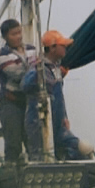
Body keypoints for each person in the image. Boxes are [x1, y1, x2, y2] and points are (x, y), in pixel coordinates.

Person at [23, 30, 78, 160]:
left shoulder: (56, 68)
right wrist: (37, 74)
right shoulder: (39, 67)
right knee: (40, 154)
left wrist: (64, 116)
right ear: (52, 48)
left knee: (70, 148)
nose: (65, 48)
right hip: (39, 118)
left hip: (57, 118)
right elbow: (25, 85)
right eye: (62, 45)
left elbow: (60, 96)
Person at [0, 19, 36, 161]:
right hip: (11, 103)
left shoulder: (32, 49)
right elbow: (16, 73)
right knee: (13, 142)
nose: (18, 36)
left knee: (33, 141)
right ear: (5, 36)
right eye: (13, 34)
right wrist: (34, 69)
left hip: (30, 102)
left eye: (19, 32)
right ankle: (11, 174)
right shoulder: (2, 55)